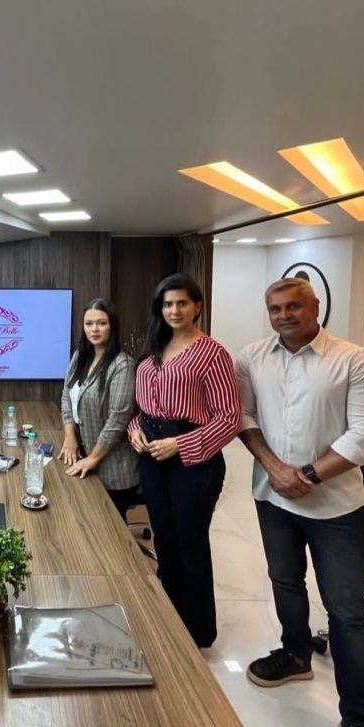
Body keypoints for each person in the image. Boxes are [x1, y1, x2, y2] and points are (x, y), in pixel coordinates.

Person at [235, 276, 364, 727]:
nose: (284, 315)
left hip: (335, 507)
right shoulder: (252, 357)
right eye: (275, 308)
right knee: (285, 581)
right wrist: (274, 468)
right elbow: (243, 416)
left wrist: (305, 474)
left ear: (316, 306)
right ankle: (296, 653)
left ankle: (359, 721)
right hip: (272, 498)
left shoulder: (355, 361)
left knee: (347, 611)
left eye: (293, 306)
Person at [128, 273, 240, 648]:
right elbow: (140, 410)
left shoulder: (212, 353)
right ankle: (169, 617)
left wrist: (180, 445)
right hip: (152, 458)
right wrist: (134, 431)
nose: (174, 310)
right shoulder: (153, 348)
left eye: (181, 303)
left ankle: (197, 632)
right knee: (164, 538)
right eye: (167, 304)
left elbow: (229, 419)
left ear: (197, 306)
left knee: (190, 543)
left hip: (194, 462)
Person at [60, 298, 139, 516]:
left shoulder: (123, 365)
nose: (94, 329)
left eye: (101, 323)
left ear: (112, 326)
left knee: (108, 528)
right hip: (83, 454)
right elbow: (66, 396)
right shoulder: (80, 357)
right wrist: (70, 438)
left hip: (114, 470)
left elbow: (117, 421)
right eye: (89, 323)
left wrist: (93, 458)